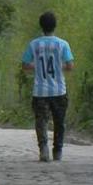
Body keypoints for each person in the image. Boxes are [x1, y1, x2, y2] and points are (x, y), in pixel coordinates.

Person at [22, 11, 75, 162]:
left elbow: (25, 65)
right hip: (59, 90)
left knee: (41, 121)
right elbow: (70, 66)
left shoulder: (34, 44)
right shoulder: (62, 44)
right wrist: (60, 67)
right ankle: (57, 151)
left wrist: (37, 66)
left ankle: (43, 149)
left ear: (41, 26)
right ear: (55, 26)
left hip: (40, 91)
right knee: (59, 122)